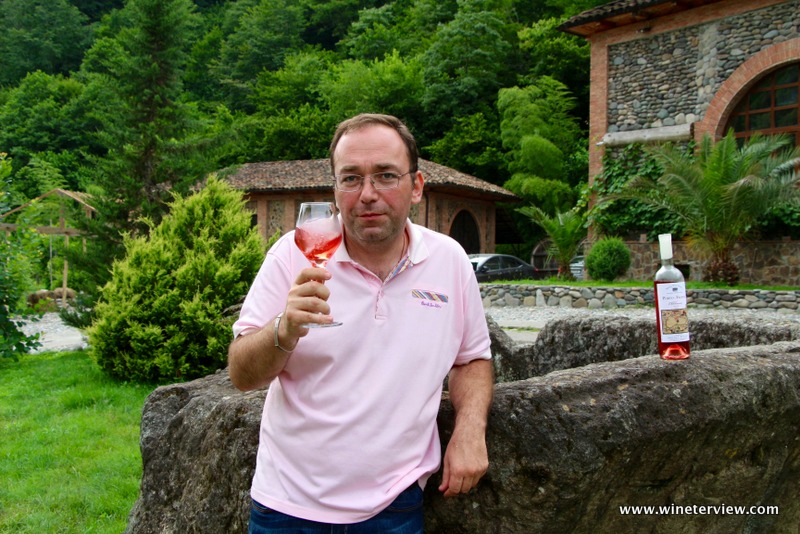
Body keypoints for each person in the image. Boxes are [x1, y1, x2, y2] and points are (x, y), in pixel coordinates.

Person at [228, 113, 494, 533]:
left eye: (385, 175)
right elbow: (242, 374)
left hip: (394, 507)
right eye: (351, 178)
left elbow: (472, 358)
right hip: (287, 508)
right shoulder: (293, 253)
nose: (367, 194)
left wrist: (470, 429)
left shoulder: (449, 261)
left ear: (416, 186)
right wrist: (283, 330)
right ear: (335, 191)